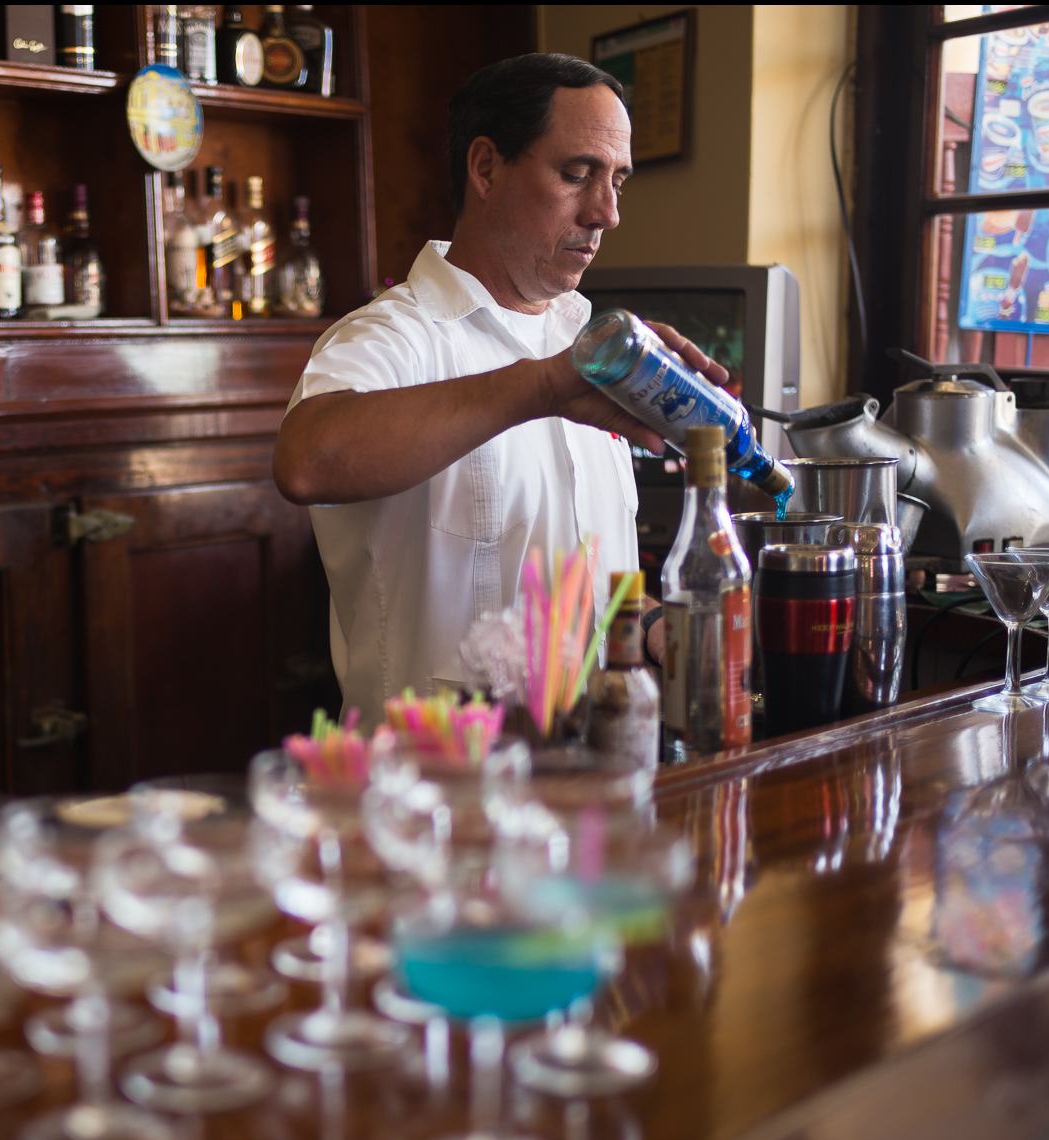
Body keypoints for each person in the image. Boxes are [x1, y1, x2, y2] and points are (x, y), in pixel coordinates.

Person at [273, 53, 733, 718]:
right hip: (432, 798)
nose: (607, 212)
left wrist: (659, 623)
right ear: (486, 168)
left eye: (618, 182)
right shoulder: (391, 338)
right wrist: (542, 388)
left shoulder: (587, 345)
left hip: (587, 783)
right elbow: (306, 461)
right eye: (578, 174)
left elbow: (593, 575)